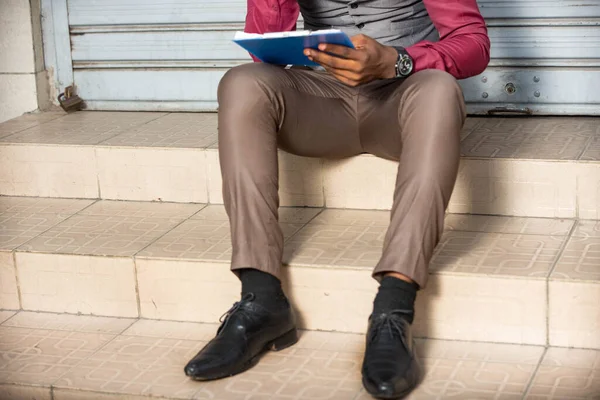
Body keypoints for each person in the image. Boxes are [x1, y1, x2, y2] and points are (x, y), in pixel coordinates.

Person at [184, 0, 490, 398]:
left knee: (439, 90)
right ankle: (261, 300)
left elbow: (474, 44)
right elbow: (262, 49)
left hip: (403, 97)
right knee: (242, 81)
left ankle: (393, 309)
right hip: (322, 101)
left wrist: (397, 61)